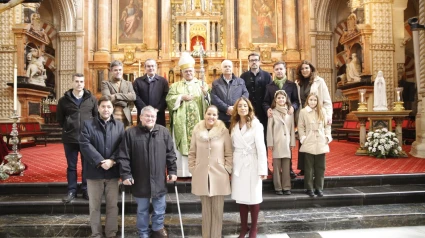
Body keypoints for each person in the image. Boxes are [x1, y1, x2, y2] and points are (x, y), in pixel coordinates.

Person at [118, 106, 177, 238]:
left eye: (153, 116)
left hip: (158, 178)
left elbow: (170, 154)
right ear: (141, 117)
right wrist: (126, 174)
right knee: (142, 210)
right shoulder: (130, 133)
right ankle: (143, 232)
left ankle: (157, 228)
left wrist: (172, 170)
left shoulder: (163, 132)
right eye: (147, 116)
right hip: (140, 178)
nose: (150, 118)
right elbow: (124, 156)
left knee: (160, 208)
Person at [79, 95, 125, 238]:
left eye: (109, 106)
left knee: (112, 205)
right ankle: (96, 233)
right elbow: (85, 145)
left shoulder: (119, 125)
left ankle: (111, 233)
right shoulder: (88, 124)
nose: (106, 109)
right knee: (94, 206)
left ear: (113, 109)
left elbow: (122, 146)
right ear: (98, 108)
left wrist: (112, 160)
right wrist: (100, 161)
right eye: (103, 106)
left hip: (112, 172)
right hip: (94, 172)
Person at [188, 105, 233, 238]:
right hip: (201, 174)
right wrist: (193, 168)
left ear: (217, 117)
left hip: (219, 174)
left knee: (217, 211)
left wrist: (227, 169)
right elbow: (192, 152)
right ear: (205, 115)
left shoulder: (223, 131)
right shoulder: (197, 131)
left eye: (214, 114)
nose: (211, 117)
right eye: (209, 114)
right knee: (206, 212)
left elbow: (229, 153)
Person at [166, 52, 210, 177]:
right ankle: (183, 172)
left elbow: (209, 103)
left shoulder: (202, 85)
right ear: (182, 73)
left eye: (190, 71)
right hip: (181, 123)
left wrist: (206, 94)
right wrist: (181, 97)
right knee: (183, 144)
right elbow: (169, 100)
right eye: (186, 71)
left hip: (198, 121)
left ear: (194, 71)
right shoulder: (175, 86)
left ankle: (197, 170)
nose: (188, 73)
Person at [230, 97, 268, 238]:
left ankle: (254, 228)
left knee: (254, 196)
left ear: (249, 108)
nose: (242, 108)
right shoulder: (234, 125)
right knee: (241, 197)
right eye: (240, 106)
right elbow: (232, 146)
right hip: (238, 163)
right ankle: (244, 227)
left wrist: (263, 169)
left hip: (252, 162)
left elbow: (261, 148)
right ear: (236, 109)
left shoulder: (256, 124)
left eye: (245, 105)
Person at [57, 73, 98, 203]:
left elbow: (96, 117)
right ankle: (71, 190)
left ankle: (86, 189)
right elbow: (60, 119)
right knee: (71, 166)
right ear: (72, 83)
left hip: (87, 139)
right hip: (70, 138)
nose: (79, 84)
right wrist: (69, 127)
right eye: (76, 81)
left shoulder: (92, 99)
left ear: (84, 83)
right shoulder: (63, 100)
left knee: (87, 166)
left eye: (81, 81)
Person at [295, 60, 332, 176]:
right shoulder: (297, 83)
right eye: (302, 69)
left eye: (306, 68)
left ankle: (317, 168)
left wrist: (328, 115)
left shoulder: (319, 81)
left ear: (311, 69)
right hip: (303, 114)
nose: (304, 70)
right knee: (303, 139)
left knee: (316, 140)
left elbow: (327, 100)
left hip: (317, 115)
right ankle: (304, 168)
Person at [263, 61, 299, 178]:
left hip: (287, 116)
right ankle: (276, 168)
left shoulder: (292, 85)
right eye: (277, 69)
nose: (279, 71)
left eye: (281, 69)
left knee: (287, 143)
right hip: (275, 118)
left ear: (285, 70)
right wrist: (268, 108)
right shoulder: (269, 86)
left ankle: (289, 169)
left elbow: (296, 101)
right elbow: (265, 101)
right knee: (277, 143)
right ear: (274, 71)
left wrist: (293, 107)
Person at [298, 93, 332, 197]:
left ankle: (319, 187)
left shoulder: (322, 111)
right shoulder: (303, 112)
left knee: (320, 166)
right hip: (309, 140)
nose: (313, 102)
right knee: (309, 167)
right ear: (307, 100)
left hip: (321, 140)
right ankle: (309, 188)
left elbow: (327, 126)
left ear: (318, 101)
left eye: (315, 100)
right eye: (311, 100)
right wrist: (303, 138)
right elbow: (300, 126)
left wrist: (327, 136)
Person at [267, 90, 296, 195]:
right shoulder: (272, 112)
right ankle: (278, 187)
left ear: (286, 99)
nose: (281, 99)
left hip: (287, 143)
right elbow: (269, 129)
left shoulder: (290, 112)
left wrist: (292, 142)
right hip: (277, 142)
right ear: (275, 100)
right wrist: (270, 142)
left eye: (283, 98)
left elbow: (292, 128)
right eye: (278, 98)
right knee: (277, 166)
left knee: (286, 166)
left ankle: (286, 187)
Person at [211, 60, 249, 128]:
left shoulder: (240, 81)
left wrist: (237, 107)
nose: (227, 68)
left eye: (229, 66)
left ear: (232, 68)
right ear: (221, 69)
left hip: (237, 116)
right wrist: (227, 108)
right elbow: (214, 98)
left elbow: (245, 94)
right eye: (225, 66)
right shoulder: (216, 83)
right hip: (222, 117)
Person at [240, 53, 272, 130]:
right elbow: (241, 92)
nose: (254, 62)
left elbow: (270, 92)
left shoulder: (267, 75)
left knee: (264, 131)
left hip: (263, 109)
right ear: (249, 62)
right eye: (252, 60)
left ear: (259, 62)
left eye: (256, 60)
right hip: (249, 109)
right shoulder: (243, 76)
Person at [133, 59, 169, 126]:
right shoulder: (138, 81)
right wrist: (145, 110)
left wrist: (157, 109)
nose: (151, 68)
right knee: (142, 134)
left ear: (156, 67)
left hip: (158, 114)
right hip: (143, 114)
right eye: (148, 66)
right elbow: (135, 96)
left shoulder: (163, 81)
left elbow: (166, 96)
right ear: (145, 68)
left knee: (158, 134)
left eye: (152, 66)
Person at [101, 60, 136, 127]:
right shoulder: (105, 83)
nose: (118, 72)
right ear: (111, 71)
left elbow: (133, 97)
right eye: (115, 70)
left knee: (125, 137)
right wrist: (125, 102)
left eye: (120, 70)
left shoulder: (128, 84)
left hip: (126, 117)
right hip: (111, 116)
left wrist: (116, 96)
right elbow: (107, 99)